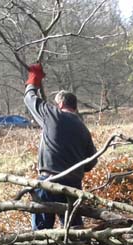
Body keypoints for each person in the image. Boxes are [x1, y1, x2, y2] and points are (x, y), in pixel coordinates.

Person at [24, 63, 98, 230]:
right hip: (73, 186)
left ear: (60, 104)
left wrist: (34, 79)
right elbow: (91, 162)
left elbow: (29, 98)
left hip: (48, 182)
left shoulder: (53, 115)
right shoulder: (83, 128)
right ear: (75, 107)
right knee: (73, 230)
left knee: (42, 232)